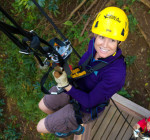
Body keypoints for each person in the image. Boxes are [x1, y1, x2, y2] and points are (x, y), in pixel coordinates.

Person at [36, 6, 129, 138]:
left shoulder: (116, 74)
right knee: (43, 106)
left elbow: (90, 101)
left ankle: (73, 126)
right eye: (102, 37)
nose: (105, 45)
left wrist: (66, 85)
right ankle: (61, 119)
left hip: (85, 107)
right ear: (96, 34)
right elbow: (84, 69)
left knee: (40, 126)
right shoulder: (93, 46)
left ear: (119, 41)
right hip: (75, 87)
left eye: (112, 40)